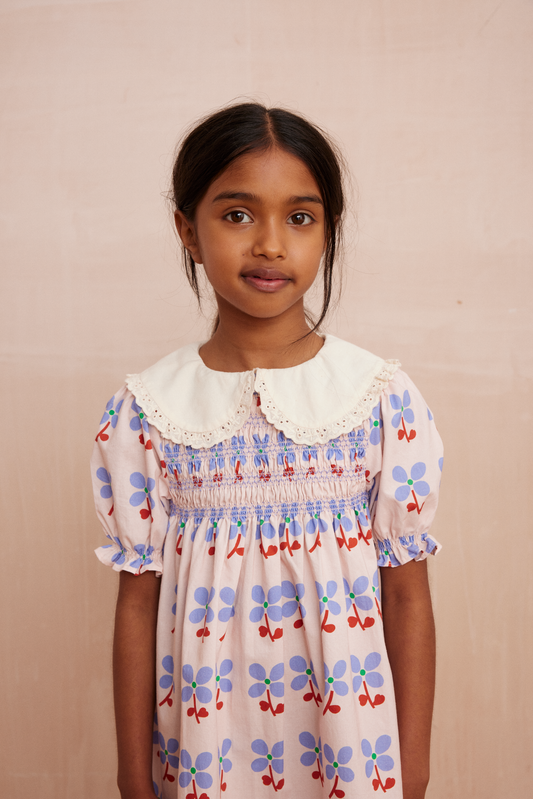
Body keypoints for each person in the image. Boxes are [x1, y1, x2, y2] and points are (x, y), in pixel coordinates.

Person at [91, 102, 443, 799]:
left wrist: (413, 767)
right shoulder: (148, 409)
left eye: (300, 217)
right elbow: (136, 606)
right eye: (237, 214)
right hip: (205, 753)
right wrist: (133, 775)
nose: (271, 245)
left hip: (353, 751)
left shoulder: (378, 397)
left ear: (328, 232)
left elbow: (406, 595)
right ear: (188, 231)